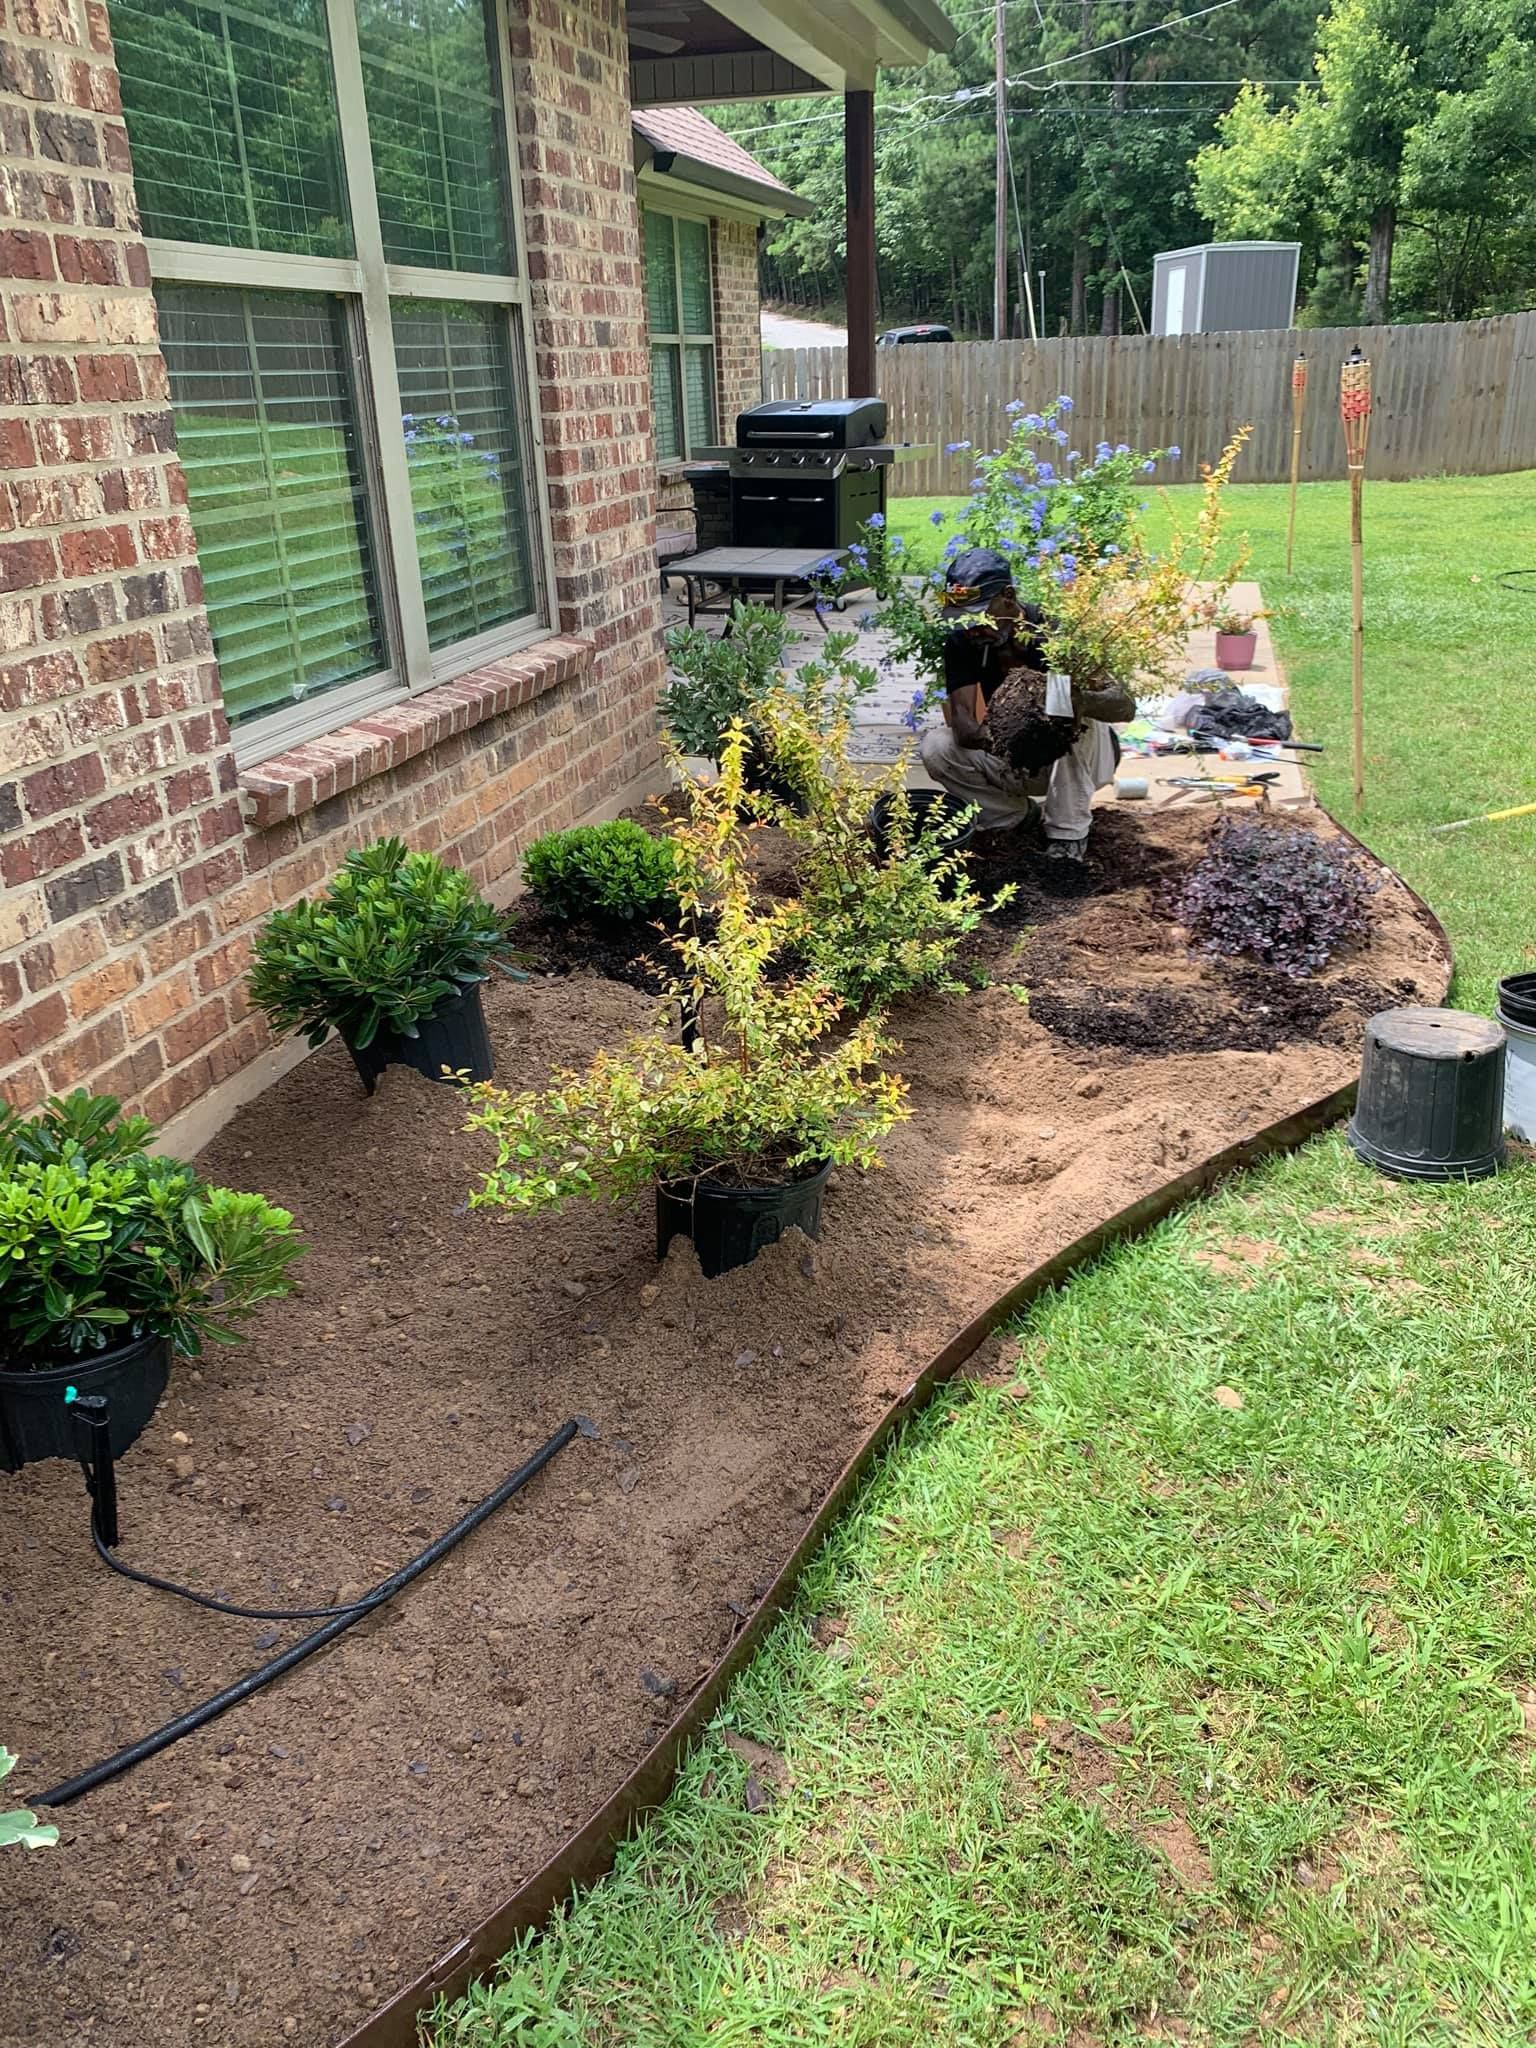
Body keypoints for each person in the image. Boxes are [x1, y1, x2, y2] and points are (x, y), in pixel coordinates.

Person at [918, 546, 1134, 863]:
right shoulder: (964, 640)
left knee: (1061, 706)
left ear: (1009, 595)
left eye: (980, 615)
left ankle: (1067, 837)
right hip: (1017, 755)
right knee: (936, 746)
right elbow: (963, 725)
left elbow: (1125, 707)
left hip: (1087, 757)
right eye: (963, 619)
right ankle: (1016, 819)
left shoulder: (1055, 633)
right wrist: (1011, 736)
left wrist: (1078, 699)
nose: (972, 627)